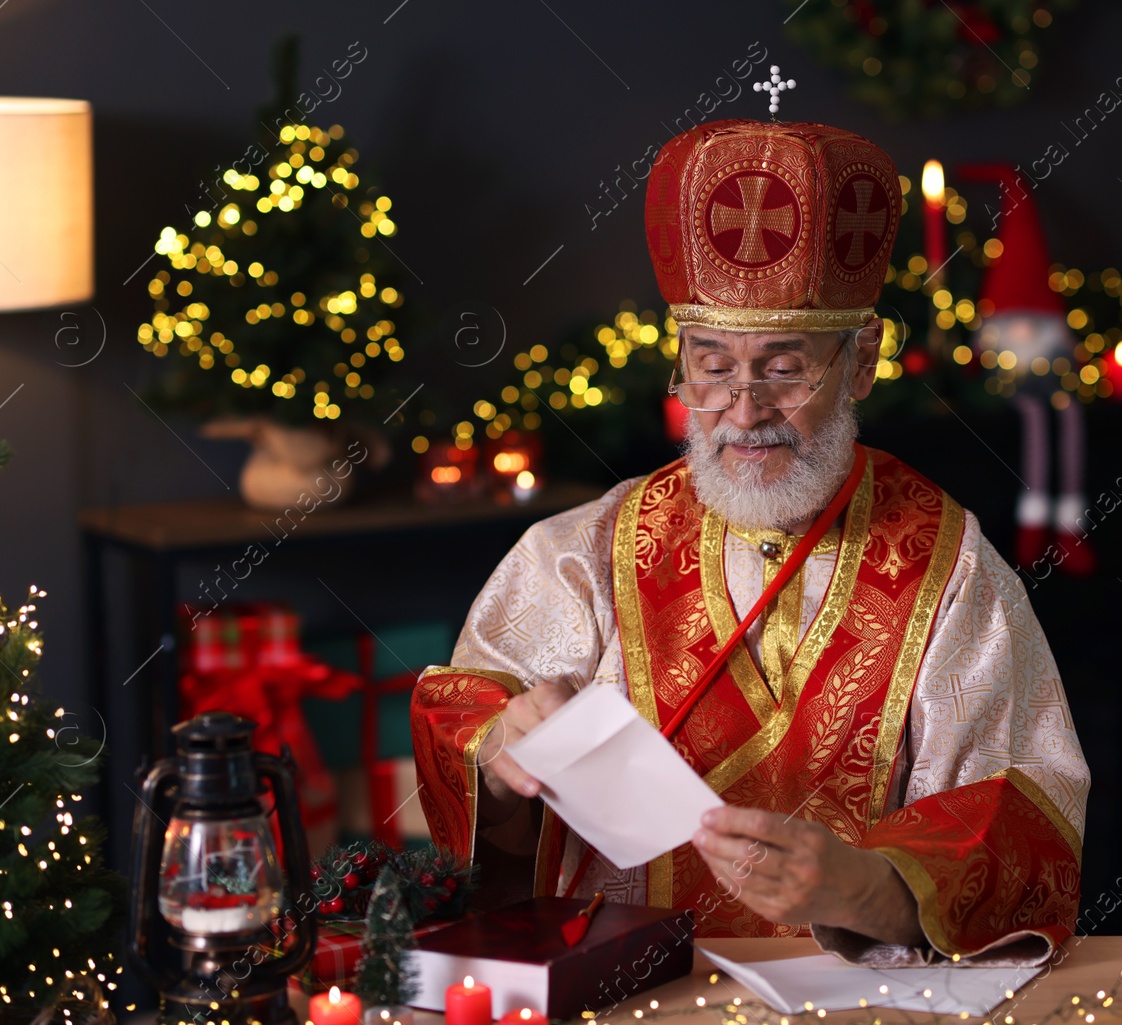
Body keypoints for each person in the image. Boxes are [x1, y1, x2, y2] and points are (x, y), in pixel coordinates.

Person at [411, 117, 1088, 965]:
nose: (742, 408)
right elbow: (463, 724)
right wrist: (502, 757)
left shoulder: (951, 567)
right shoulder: (578, 554)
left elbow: (1022, 806)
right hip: (618, 1011)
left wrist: (871, 889)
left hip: (866, 1024)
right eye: (712, 364)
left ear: (864, 359)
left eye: (782, 366)